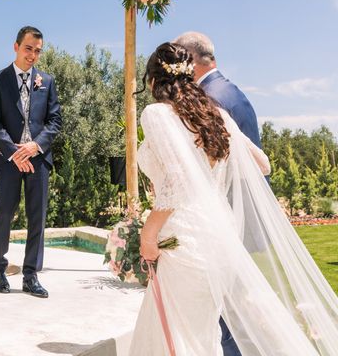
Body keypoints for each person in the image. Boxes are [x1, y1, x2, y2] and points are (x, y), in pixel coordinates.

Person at [128, 43, 338, 355]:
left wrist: (148, 233)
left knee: (176, 332)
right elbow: (262, 163)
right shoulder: (215, 115)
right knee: (199, 332)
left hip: (183, 237)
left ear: (153, 81)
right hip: (218, 237)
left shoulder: (156, 114)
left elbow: (175, 182)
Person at [173, 30, 260, 355]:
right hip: (238, 217)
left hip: (223, 223)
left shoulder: (210, 100)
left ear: (190, 61)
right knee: (234, 314)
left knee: (225, 320)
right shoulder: (231, 91)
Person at [0, 26, 62, 298]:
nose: (33, 55)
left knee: (37, 218)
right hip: (9, 162)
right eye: (28, 48)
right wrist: (14, 152)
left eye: (37, 51)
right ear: (16, 46)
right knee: (4, 214)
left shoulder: (47, 81)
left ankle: (31, 276)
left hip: (38, 160)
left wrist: (35, 146)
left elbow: (55, 122)